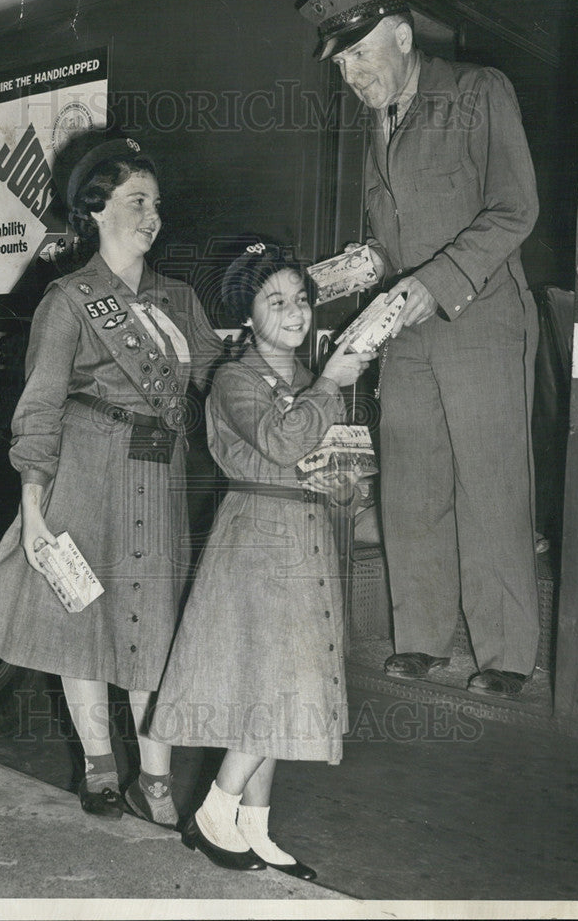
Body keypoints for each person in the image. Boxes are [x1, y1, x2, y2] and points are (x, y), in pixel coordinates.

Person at [299, 0, 541, 699]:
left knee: (489, 485)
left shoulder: (477, 91)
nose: (352, 74)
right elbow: (393, 238)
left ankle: (504, 652)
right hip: (404, 328)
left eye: (361, 54)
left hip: (480, 318)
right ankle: (422, 638)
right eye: (341, 64)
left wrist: (431, 282)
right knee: (411, 484)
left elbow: (512, 210)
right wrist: (342, 272)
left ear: (402, 37)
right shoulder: (376, 121)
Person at [0, 135, 222, 825]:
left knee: (154, 626)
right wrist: (33, 508)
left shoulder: (177, 299)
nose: (152, 216)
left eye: (156, 204)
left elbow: (216, 382)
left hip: (158, 469)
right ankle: (100, 769)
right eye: (136, 201)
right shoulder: (68, 300)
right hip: (84, 470)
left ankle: (157, 780)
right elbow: (41, 407)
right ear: (96, 210)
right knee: (81, 620)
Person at [151, 242, 374, 877]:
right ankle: (216, 810)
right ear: (248, 316)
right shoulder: (234, 379)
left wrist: (346, 484)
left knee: (274, 686)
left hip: (305, 531)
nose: (295, 313)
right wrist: (332, 383)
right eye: (275, 302)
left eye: (301, 299)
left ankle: (255, 826)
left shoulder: (307, 382)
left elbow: (330, 462)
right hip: (256, 536)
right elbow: (280, 442)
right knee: (269, 684)